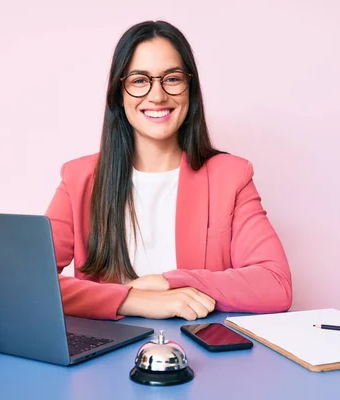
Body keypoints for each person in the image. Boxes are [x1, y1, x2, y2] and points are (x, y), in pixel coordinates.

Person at [45, 20, 292, 321]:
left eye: (172, 79)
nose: (157, 96)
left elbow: (275, 285)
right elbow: (29, 282)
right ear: (118, 93)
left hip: (202, 357)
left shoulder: (231, 176)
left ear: (190, 88)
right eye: (139, 80)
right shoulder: (78, 179)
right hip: (103, 358)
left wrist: (170, 281)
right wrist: (135, 300)